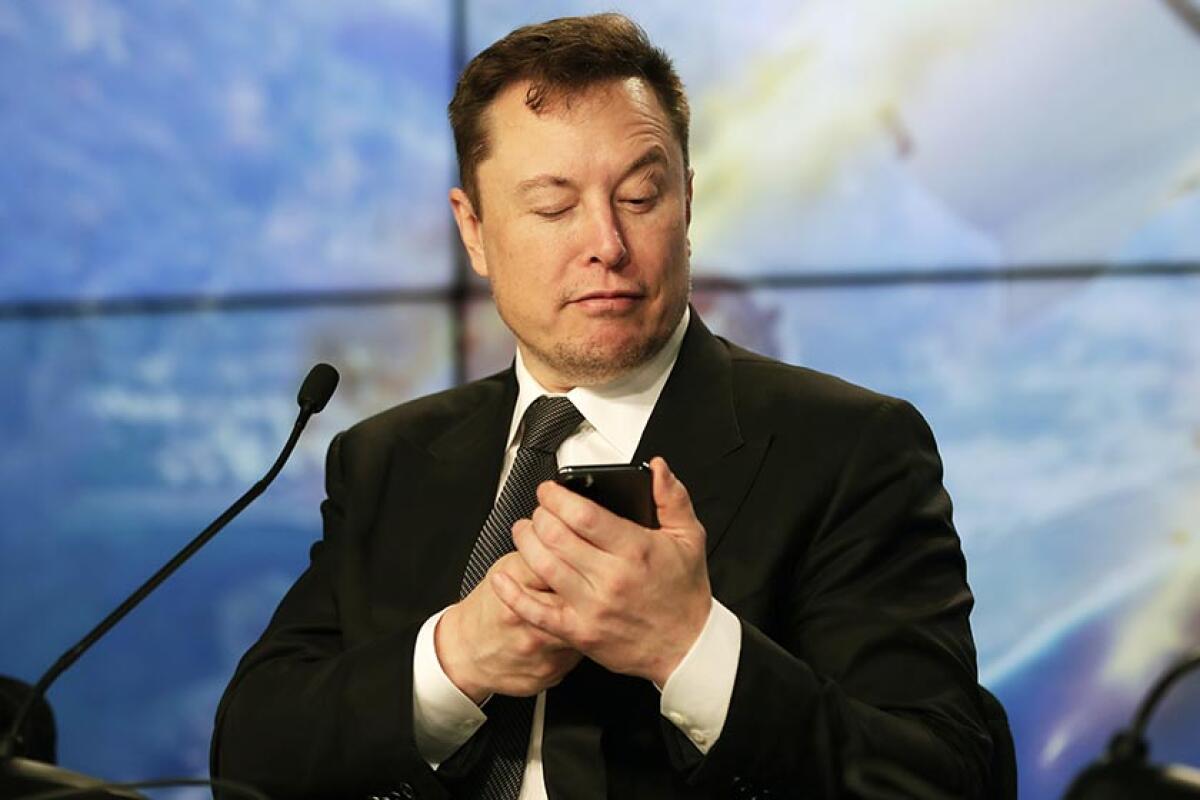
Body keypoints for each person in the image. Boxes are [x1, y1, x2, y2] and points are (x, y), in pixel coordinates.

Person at [212, 13, 993, 799]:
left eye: (641, 195)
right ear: (474, 231)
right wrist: (456, 659)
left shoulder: (850, 449)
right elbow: (249, 759)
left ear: (686, 204)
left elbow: (940, 778)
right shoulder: (388, 461)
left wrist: (689, 645)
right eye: (553, 207)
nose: (607, 245)